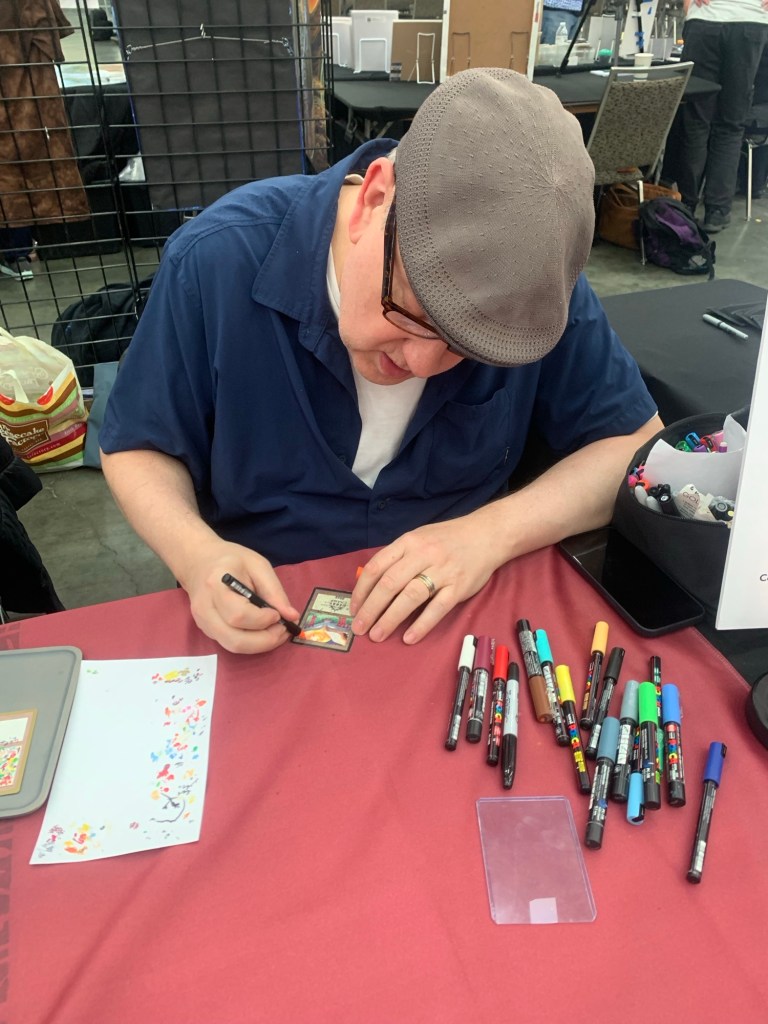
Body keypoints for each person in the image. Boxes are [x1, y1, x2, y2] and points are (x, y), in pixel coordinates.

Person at [99, 68, 662, 655]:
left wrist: (489, 534)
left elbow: (635, 448)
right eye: (412, 314)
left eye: (467, 346)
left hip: (456, 621)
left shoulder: (530, 298)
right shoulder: (215, 262)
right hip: (269, 619)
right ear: (372, 199)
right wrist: (197, 556)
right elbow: (139, 445)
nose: (422, 361)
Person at [664, 0, 768, 233]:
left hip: (706, 20)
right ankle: (717, 211)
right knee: (731, 124)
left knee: (696, 120)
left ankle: (686, 204)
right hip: (749, 21)